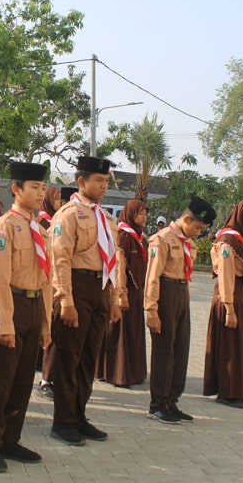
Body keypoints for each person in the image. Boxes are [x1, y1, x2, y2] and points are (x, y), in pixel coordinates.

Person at [0, 161, 52, 473]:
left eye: (43, 188)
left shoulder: (41, 230)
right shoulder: (4, 226)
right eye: (34, 187)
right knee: (0, 379)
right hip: (10, 305)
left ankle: (11, 438)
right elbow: (1, 279)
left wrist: (47, 323)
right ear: (16, 189)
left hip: (34, 306)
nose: (40, 193)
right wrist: (5, 323)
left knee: (23, 380)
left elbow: (46, 279)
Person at [48, 156, 124, 446]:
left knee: (90, 356)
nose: (104, 186)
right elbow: (60, 260)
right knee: (69, 356)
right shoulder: (67, 215)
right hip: (76, 288)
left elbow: (114, 261)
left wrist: (115, 298)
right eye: (99, 181)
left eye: (106, 181)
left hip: (101, 289)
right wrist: (65, 300)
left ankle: (79, 416)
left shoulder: (106, 217)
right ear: (81, 182)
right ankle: (63, 421)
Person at [144, 197, 216, 423]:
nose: (198, 232)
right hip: (166, 293)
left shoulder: (187, 242)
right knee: (164, 352)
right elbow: (152, 277)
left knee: (180, 350)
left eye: (201, 229)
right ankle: (158, 404)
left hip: (182, 294)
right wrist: (151, 310)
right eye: (197, 227)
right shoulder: (162, 239)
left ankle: (172, 401)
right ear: (186, 219)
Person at [203, 199, 243, 408]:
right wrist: (229, 307)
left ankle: (240, 389)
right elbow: (226, 276)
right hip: (230, 296)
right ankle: (227, 392)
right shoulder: (228, 241)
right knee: (230, 346)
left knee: (242, 345)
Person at [97, 199, 149, 388]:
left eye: (145, 214)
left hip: (136, 291)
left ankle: (133, 370)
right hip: (124, 290)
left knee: (132, 331)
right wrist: (121, 293)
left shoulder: (139, 237)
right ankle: (116, 372)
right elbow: (119, 266)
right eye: (140, 213)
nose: (144, 217)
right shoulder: (123, 236)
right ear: (130, 214)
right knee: (119, 332)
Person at [37, 185, 75, 391]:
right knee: (55, 331)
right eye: (59, 199)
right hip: (54, 284)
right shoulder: (47, 222)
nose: (62, 203)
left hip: (66, 283)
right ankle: (47, 378)